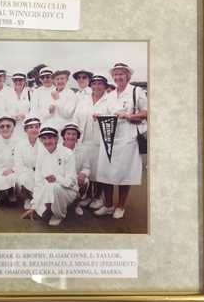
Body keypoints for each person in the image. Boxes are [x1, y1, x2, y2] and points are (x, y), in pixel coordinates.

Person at [94, 63, 147, 219]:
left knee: (125, 173)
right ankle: (109, 205)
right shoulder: (110, 95)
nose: (118, 77)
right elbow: (108, 114)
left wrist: (129, 116)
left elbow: (147, 112)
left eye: (121, 74)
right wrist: (98, 116)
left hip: (127, 139)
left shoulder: (136, 92)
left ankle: (120, 207)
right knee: (106, 172)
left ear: (128, 76)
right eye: (115, 75)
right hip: (110, 138)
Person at [20, 124, 78, 226]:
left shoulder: (67, 153)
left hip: (68, 191)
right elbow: (38, 183)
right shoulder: (41, 156)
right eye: (44, 138)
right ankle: (49, 207)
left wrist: (57, 179)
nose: (47, 141)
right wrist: (34, 206)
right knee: (48, 189)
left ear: (56, 139)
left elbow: (71, 181)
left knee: (54, 187)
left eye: (50, 138)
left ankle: (59, 215)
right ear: (41, 141)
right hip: (49, 189)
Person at [73, 75, 110, 210]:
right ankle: (88, 195)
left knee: (100, 170)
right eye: (94, 84)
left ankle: (98, 197)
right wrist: (75, 134)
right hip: (84, 140)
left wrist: (102, 118)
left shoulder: (110, 100)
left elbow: (113, 119)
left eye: (100, 84)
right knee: (88, 168)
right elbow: (76, 117)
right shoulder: (83, 99)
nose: (96, 86)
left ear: (105, 85)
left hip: (101, 141)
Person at [61, 122, 91, 216]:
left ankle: (77, 204)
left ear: (77, 136)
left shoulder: (82, 149)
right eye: (68, 134)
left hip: (75, 178)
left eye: (74, 134)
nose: (71, 137)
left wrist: (82, 174)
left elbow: (86, 167)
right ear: (63, 136)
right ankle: (60, 206)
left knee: (86, 181)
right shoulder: (57, 148)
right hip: (60, 177)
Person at [14, 117, 41, 210]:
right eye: (31, 127)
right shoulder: (20, 145)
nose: (34, 130)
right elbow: (19, 167)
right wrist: (33, 174)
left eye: (36, 127)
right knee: (22, 180)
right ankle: (27, 198)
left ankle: (38, 197)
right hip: (27, 174)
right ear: (26, 129)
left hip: (42, 175)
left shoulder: (44, 143)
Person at [39, 67, 77, 133]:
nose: (60, 81)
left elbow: (67, 114)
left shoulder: (70, 93)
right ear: (53, 80)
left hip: (63, 131)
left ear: (67, 79)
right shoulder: (48, 93)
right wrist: (49, 111)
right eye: (57, 79)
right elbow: (43, 114)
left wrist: (57, 99)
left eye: (62, 78)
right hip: (50, 131)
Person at [11, 71, 31, 139]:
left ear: (24, 81)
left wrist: (25, 115)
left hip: (25, 127)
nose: (18, 82)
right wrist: (11, 116)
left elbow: (34, 111)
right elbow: (3, 110)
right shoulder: (8, 93)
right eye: (15, 80)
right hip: (11, 127)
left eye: (20, 80)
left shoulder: (30, 94)